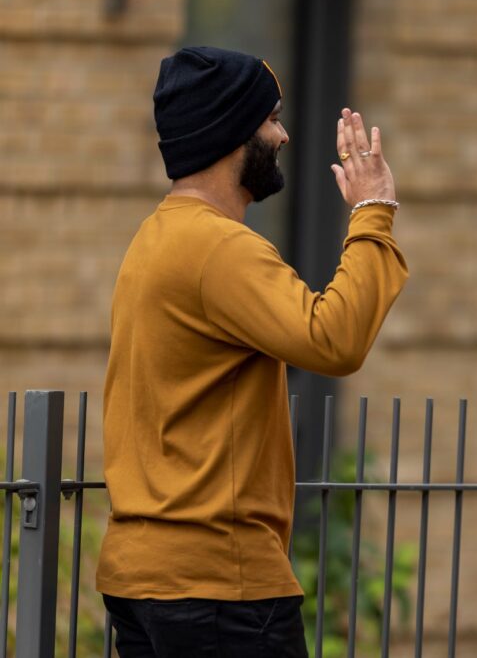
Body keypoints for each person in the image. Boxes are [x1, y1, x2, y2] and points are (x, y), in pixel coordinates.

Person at [97, 46, 408, 657]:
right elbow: (333, 338)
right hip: (218, 588)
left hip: (142, 580)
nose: (285, 134)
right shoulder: (219, 248)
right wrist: (374, 213)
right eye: (270, 120)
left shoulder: (154, 239)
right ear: (232, 134)